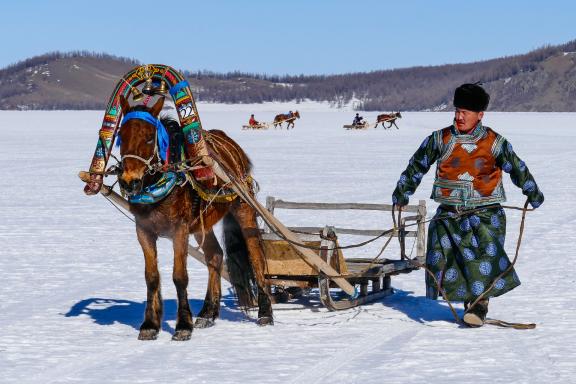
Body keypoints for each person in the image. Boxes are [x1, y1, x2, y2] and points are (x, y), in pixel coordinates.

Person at [391, 83, 544, 327]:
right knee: (448, 262)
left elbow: (517, 167)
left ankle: (478, 306)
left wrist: (532, 192)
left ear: (480, 115)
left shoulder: (495, 142)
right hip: (449, 214)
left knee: (482, 262)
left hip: (485, 215)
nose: (459, 117)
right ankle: (468, 303)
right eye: (457, 111)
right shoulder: (440, 139)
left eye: (466, 112)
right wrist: (402, 192)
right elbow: (416, 165)